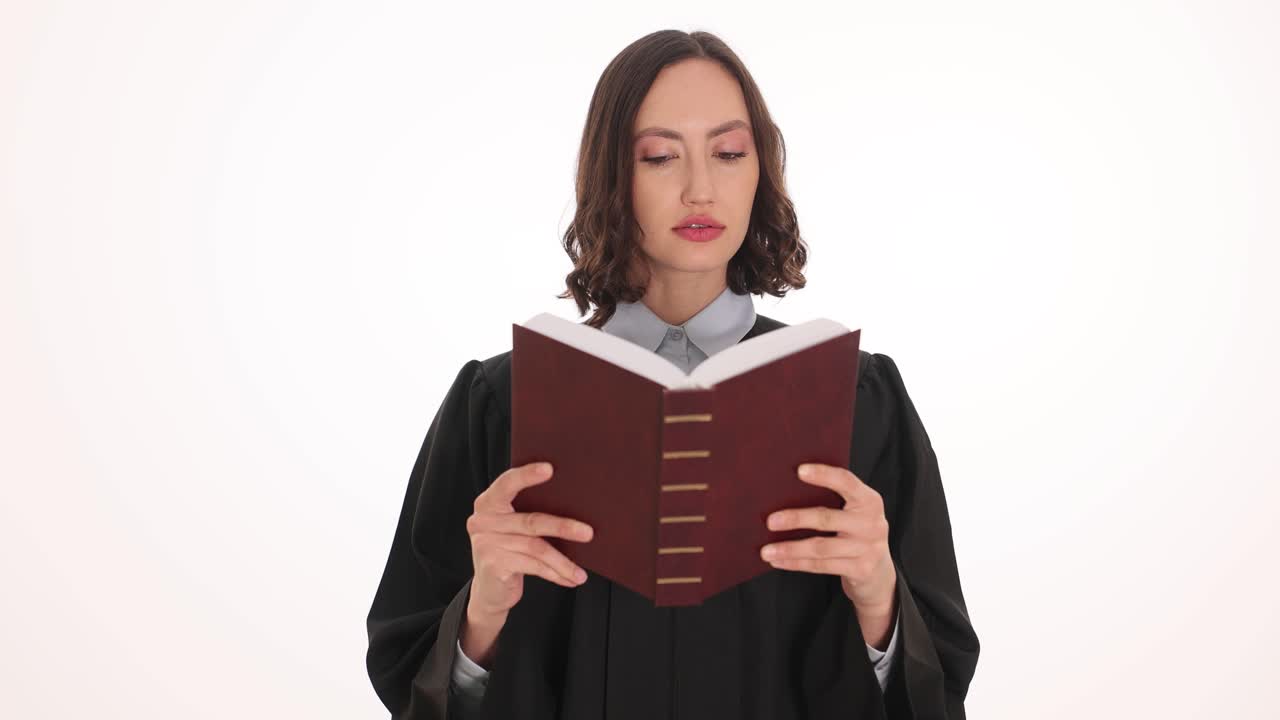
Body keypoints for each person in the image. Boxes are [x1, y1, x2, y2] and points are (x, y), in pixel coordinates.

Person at [365, 29, 979, 720]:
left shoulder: (858, 402)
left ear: (760, 172)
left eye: (729, 153)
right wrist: (481, 615)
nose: (700, 189)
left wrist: (880, 600)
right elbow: (410, 676)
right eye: (659, 157)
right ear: (611, 177)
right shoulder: (500, 405)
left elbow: (938, 685)